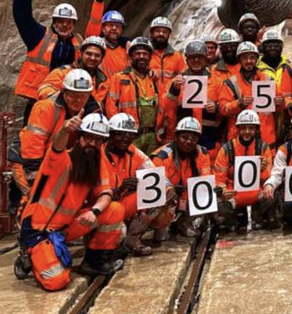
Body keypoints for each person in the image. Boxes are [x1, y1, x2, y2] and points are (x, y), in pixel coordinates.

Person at [16, 113, 124, 290]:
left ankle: (94, 263)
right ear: (79, 137)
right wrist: (64, 129)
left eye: (99, 141)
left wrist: (94, 211)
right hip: (38, 230)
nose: (93, 144)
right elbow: (57, 145)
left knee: (114, 210)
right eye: (89, 138)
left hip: (65, 228)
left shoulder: (94, 163)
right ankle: (29, 257)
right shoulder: (60, 160)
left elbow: (106, 193)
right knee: (57, 281)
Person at [16, 69, 101, 215]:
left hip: (60, 160)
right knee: (34, 200)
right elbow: (32, 148)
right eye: (73, 95)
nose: (78, 100)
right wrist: (37, 182)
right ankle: (27, 227)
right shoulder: (45, 108)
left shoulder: (94, 111)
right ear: (64, 92)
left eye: (82, 96)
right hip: (28, 161)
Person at [13, 0, 84, 123]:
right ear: (53, 22)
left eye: (69, 21)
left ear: (74, 24)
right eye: (60, 21)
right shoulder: (39, 36)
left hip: (67, 102)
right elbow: (22, 16)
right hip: (38, 100)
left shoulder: (78, 45)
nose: (65, 25)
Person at [101, 113, 159, 257]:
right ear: (110, 134)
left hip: (122, 204)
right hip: (103, 209)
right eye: (120, 134)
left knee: (160, 192)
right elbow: (93, 195)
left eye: (129, 135)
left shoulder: (133, 152)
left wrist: (140, 183)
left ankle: (133, 240)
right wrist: (120, 189)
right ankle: (106, 248)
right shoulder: (97, 154)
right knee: (118, 230)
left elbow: (154, 175)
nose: (125, 139)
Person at [212, 110, 275, 232]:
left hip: (256, 192)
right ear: (237, 128)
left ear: (256, 130)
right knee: (218, 201)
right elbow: (218, 178)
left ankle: (258, 215)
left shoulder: (263, 148)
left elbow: (269, 177)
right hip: (234, 193)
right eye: (243, 128)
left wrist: (262, 170)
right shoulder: (227, 149)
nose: (247, 131)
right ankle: (233, 219)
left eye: (251, 128)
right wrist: (223, 191)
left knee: (272, 192)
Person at [151, 117, 211, 238]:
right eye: (185, 137)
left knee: (209, 196)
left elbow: (205, 178)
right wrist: (170, 189)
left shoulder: (202, 153)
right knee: (168, 195)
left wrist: (211, 191)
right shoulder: (161, 157)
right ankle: (160, 227)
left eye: (193, 138)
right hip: (168, 199)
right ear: (176, 137)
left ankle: (185, 223)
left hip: (186, 197)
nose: (189, 141)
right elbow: (155, 187)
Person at [161, 40, 221, 154]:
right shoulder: (175, 82)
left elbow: (226, 107)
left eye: (200, 57)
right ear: (187, 59)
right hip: (182, 138)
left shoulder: (218, 82)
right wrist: (174, 89)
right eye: (192, 57)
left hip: (208, 138)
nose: (196, 60)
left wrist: (217, 107)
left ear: (206, 59)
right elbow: (166, 109)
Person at [105, 37, 163, 154]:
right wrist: (119, 132)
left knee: (151, 168)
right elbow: (110, 105)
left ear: (150, 57)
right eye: (137, 54)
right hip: (129, 135)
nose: (141, 57)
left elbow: (163, 105)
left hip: (152, 135)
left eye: (145, 54)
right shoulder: (120, 78)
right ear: (131, 56)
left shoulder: (155, 79)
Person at [218, 42, 282, 145]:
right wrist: (238, 104)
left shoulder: (268, 79)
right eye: (245, 58)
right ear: (239, 60)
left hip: (266, 138)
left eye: (252, 58)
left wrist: (280, 103)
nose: (249, 61)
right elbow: (222, 108)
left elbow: (280, 105)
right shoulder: (230, 83)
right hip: (238, 140)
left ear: (257, 60)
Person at [38, 36, 109, 104]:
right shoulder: (62, 72)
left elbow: (100, 106)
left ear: (102, 58)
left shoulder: (103, 81)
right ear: (81, 54)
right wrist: (68, 100)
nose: (92, 58)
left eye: (97, 55)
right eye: (88, 54)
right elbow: (44, 91)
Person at [84, 0, 130, 77]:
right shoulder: (96, 46)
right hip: (99, 89)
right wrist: (99, 0)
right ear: (103, 28)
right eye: (110, 25)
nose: (114, 28)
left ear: (122, 30)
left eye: (117, 26)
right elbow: (95, 21)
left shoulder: (126, 50)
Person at [149, 17, 187, 93]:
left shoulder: (176, 56)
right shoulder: (144, 54)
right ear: (152, 33)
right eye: (157, 31)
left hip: (170, 98)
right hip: (148, 97)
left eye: (165, 32)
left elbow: (184, 76)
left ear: (169, 34)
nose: (161, 34)